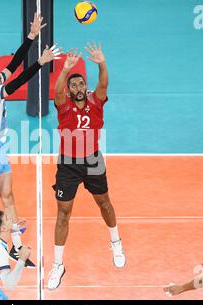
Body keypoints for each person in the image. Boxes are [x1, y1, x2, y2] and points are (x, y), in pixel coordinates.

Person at [0, 13, 61, 268]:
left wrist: (30, 37)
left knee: (9, 198)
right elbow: (17, 83)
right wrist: (40, 62)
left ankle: (16, 248)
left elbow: (14, 64)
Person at [47, 43, 126, 290]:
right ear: (69, 90)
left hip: (92, 160)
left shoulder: (96, 102)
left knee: (104, 203)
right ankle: (58, 265)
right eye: (74, 85)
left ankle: (116, 244)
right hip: (68, 164)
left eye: (81, 84)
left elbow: (103, 85)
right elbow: (57, 92)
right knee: (63, 213)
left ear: (86, 87)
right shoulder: (64, 105)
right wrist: (64, 71)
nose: (78, 88)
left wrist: (101, 63)